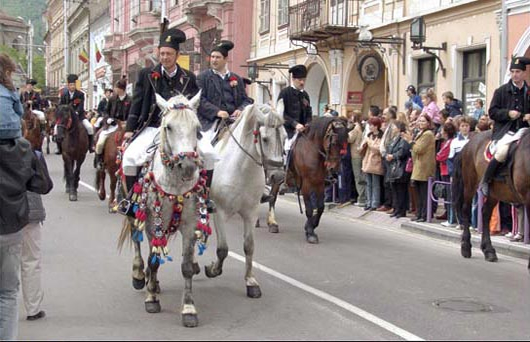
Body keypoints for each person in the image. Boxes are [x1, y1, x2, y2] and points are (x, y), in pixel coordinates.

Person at [0, 54, 54, 340]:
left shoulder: (30, 98)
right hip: (20, 219)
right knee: (11, 286)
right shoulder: (26, 152)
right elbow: (44, 186)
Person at [122, 28, 199, 193]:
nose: (164, 57)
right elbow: (137, 102)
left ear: (177, 55)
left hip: (181, 130)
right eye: (162, 53)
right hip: (152, 127)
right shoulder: (146, 74)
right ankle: (129, 201)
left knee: (209, 154)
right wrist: (129, 129)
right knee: (129, 157)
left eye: (169, 54)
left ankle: (204, 198)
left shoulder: (189, 77)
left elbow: (193, 107)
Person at [196, 40, 253, 173]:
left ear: (226, 59)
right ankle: (203, 178)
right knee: (205, 150)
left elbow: (246, 100)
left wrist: (240, 109)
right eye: (213, 57)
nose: (214, 60)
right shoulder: (203, 78)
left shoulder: (236, 79)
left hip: (234, 122)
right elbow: (200, 100)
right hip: (210, 123)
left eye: (218, 57)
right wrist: (217, 112)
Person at [480, 56, 530, 196]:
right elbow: (492, 112)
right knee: (502, 151)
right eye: (512, 71)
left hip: (526, 130)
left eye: (518, 72)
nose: (515, 75)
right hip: (507, 131)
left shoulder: (529, 91)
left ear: (524, 73)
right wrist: (508, 113)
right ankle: (486, 179)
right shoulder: (501, 91)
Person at [401, 114, 436, 222]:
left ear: (429, 123)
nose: (421, 123)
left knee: (423, 193)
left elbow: (419, 149)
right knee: (418, 193)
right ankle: (419, 213)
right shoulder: (420, 133)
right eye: (420, 121)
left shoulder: (428, 134)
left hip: (424, 167)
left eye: (423, 121)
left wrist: (410, 141)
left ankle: (424, 215)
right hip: (418, 165)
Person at [94, 78, 132, 169]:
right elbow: (106, 111)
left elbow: (132, 113)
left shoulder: (130, 100)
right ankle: (99, 160)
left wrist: (128, 122)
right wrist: (108, 119)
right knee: (100, 142)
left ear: (121, 89)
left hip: (126, 125)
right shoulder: (112, 99)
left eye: (116, 88)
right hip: (113, 125)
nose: (114, 90)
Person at [279, 64, 312, 155]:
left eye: (304, 80)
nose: (302, 82)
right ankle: (285, 166)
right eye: (300, 80)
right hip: (287, 129)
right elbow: (281, 113)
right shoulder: (285, 93)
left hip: (303, 131)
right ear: (293, 79)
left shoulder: (305, 95)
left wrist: (308, 124)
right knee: (287, 147)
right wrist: (295, 124)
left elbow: (309, 113)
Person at [59, 74, 95, 153]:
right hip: (66, 117)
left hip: (79, 116)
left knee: (89, 127)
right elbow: (61, 105)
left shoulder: (80, 94)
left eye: (74, 85)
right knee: (57, 128)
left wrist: (76, 112)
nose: (72, 86)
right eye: (71, 85)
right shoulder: (64, 95)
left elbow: (81, 106)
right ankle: (59, 147)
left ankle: (90, 146)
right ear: (68, 85)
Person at [386, 121, 411, 218]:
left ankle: (401, 210)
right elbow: (389, 148)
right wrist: (389, 155)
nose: (392, 129)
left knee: (401, 190)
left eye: (394, 127)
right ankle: (396, 208)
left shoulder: (403, 139)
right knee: (395, 189)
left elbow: (402, 151)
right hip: (393, 166)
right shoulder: (394, 139)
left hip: (401, 166)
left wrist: (393, 156)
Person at [361, 117, 384, 211]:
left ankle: (375, 203)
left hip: (376, 162)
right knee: (368, 183)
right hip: (367, 161)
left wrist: (368, 142)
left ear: (376, 126)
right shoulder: (369, 135)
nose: (370, 127)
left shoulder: (381, 136)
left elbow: (377, 148)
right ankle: (368, 202)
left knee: (375, 184)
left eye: (371, 125)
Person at [435, 122, 456, 223]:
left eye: (442, 130)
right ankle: (448, 214)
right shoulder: (445, 142)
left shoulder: (450, 143)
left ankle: (450, 217)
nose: (441, 132)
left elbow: (440, 156)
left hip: (447, 170)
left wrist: (439, 156)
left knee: (449, 194)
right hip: (443, 169)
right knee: (446, 194)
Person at [348, 110, 366, 207]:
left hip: (356, 155)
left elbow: (349, 139)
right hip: (361, 155)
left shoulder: (356, 128)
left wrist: (348, 130)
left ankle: (362, 198)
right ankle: (363, 197)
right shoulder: (362, 127)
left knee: (358, 177)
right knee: (361, 176)